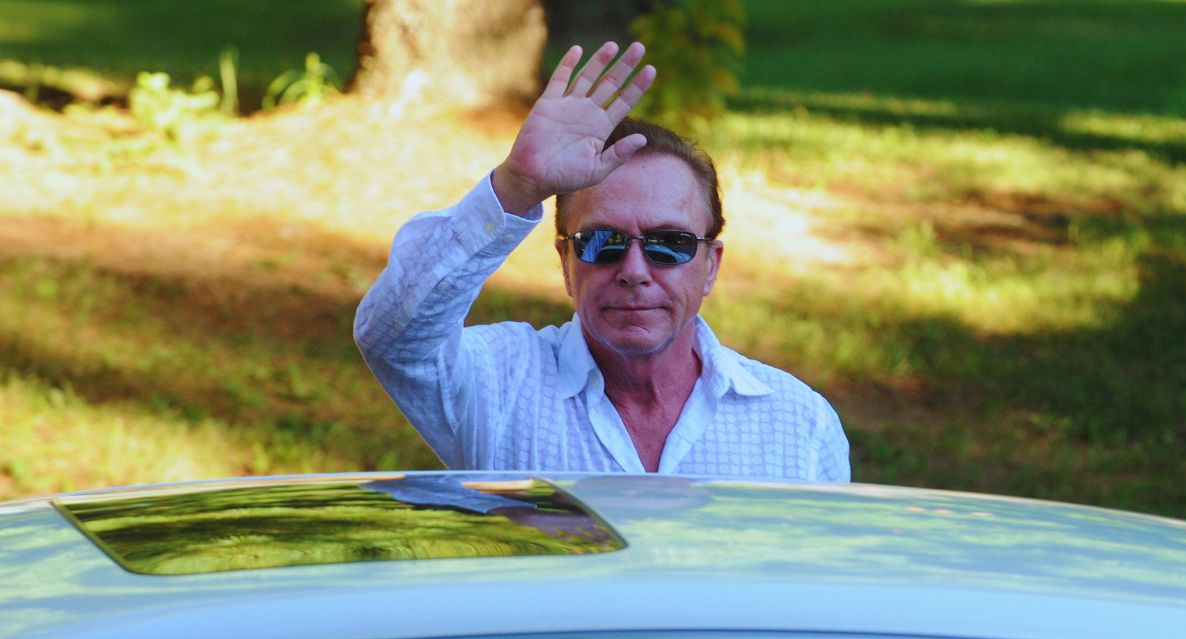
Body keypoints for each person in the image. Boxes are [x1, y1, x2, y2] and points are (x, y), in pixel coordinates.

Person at [355, 41, 851, 480]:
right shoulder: (498, 383)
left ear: (711, 266)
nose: (634, 271)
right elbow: (394, 339)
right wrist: (516, 186)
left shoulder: (799, 424)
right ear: (566, 262)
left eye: (669, 244)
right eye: (602, 243)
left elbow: (825, 582)